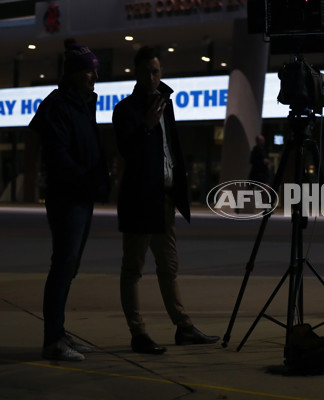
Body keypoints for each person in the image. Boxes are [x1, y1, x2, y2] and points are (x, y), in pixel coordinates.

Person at [112, 46, 219, 354]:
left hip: (164, 200)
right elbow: (126, 151)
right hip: (139, 200)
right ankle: (138, 333)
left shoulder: (166, 105)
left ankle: (183, 326)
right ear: (136, 72)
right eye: (146, 71)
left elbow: (171, 149)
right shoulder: (126, 110)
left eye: (156, 71)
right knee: (133, 267)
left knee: (169, 266)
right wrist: (145, 124)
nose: (152, 77)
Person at [29, 39, 110, 361]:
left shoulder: (82, 102)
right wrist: (87, 179)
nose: (95, 77)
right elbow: (58, 154)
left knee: (69, 267)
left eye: (96, 71)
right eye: (90, 71)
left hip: (82, 196)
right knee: (62, 267)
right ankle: (53, 340)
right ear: (75, 72)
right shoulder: (59, 105)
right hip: (68, 198)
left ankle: (59, 333)